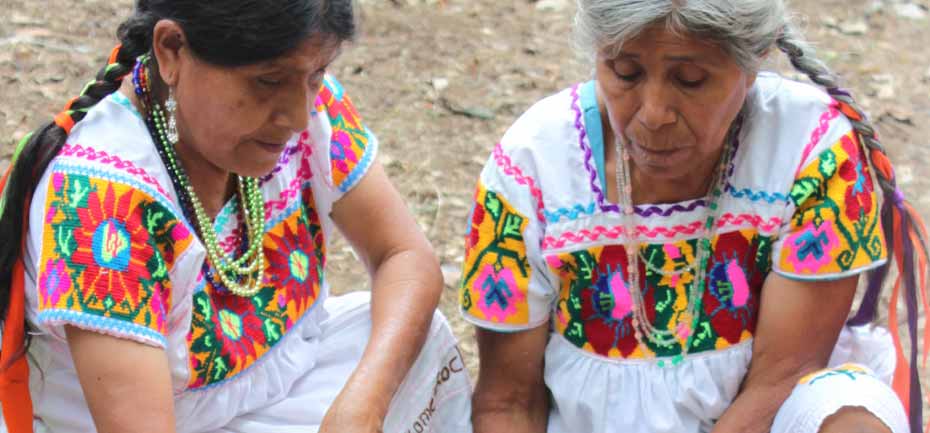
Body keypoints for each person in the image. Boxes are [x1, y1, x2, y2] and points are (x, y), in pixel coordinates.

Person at [0, 1, 471, 432]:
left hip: (274, 392)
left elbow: (404, 254)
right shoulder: (102, 204)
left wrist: (362, 407)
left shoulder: (300, 108)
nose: (299, 115)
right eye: (267, 81)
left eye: (317, 74)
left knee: (416, 340)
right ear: (171, 50)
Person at [460, 1, 929, 432]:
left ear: (753, 63)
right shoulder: (533, 164)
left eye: (690, 80)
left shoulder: (813, 150)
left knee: (850, 419)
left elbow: (782, 377)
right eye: (624, 72)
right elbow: (508, 401)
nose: (654, 114)